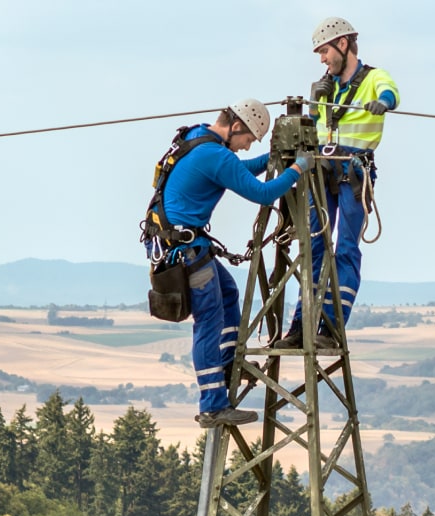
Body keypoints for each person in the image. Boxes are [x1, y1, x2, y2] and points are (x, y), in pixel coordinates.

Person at [144, 99, 313, 427]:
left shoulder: (199, 140)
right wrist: (298, 169)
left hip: (181, 244)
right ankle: (213, 404)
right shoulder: (214, 155)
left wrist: (276, 159)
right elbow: (263, 194)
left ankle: (227, 366)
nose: (248, 145)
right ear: (237, 126)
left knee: (229, 294)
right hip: (185, 249)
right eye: (249, 138)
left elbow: (239, 171)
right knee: (208, 320)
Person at [274, 17, 400, 349]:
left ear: (343, 44)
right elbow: (313, 127)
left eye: (324, 51)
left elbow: (391, 93)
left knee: (345, 248)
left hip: (354, 172)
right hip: (322, 170)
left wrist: (382, 103)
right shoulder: (326, 86)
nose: (322, 59)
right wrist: (316, 103)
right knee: (314, 247)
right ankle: (301, 326)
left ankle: (330, 328)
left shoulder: (374, 78)